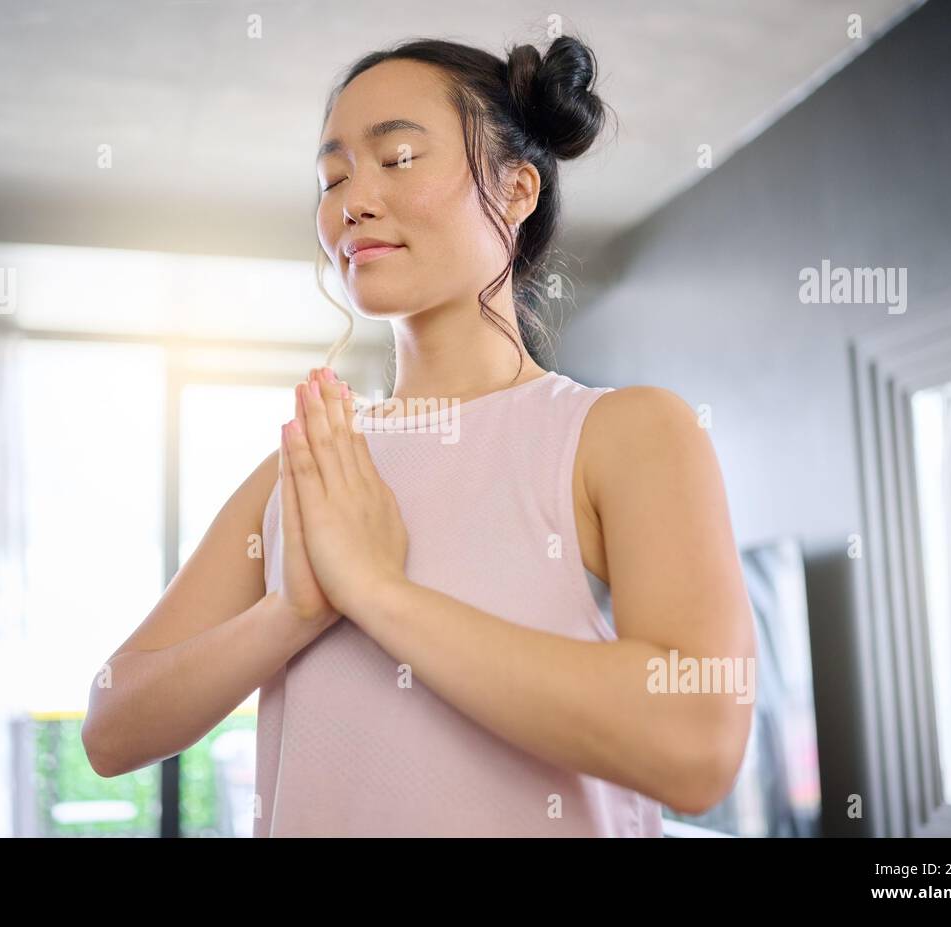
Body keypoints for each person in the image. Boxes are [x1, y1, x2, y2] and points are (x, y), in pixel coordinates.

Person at [83, 34, 755, 837]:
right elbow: (111, 725)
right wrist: (294, 610)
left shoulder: (624, 434)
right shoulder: (306, 469)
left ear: (515, 189)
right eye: (333, 177)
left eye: (397, 157)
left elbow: (697, 742)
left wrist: (377, 592)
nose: (350, 202)